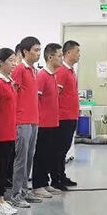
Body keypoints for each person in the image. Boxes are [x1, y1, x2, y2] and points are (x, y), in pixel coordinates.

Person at [9, 36, 42, 207]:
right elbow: (13, 94)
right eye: (35, 50)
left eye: (39, 50)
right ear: (25, 52)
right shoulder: (19, 69)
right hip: (22, 120)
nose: (38, 53)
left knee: (29, 157)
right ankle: (16, 194)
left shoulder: (34, 70)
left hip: (33, 119)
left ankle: (24, 190)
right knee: (21, 159)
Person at [0, 48, 19, 215]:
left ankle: (1, 199)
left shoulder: (9, 82)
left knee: (4, 169)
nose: (14, 64)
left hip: (9, 132)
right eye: (11, 61)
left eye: (15, 60)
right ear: (1, 62)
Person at [32, 43, 63, 198]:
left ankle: (44, 182)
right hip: (43, 123)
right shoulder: (42, 76)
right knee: (41, 155)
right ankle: (37, 185)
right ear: (50, 57)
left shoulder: (53, 76)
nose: (62, 59)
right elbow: (35, 99)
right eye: (59, 56)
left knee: (49, 154)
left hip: (53, 122)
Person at [54, 40, 81, 189]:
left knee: (64, 149)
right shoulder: (62, 71)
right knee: (60, 149)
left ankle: (62, 175)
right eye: (77, 51)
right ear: (68, 53)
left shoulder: (71, 71)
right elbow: (56, 95)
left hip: (71, 116)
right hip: (63, 117)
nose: (79, 55)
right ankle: (57, 178)